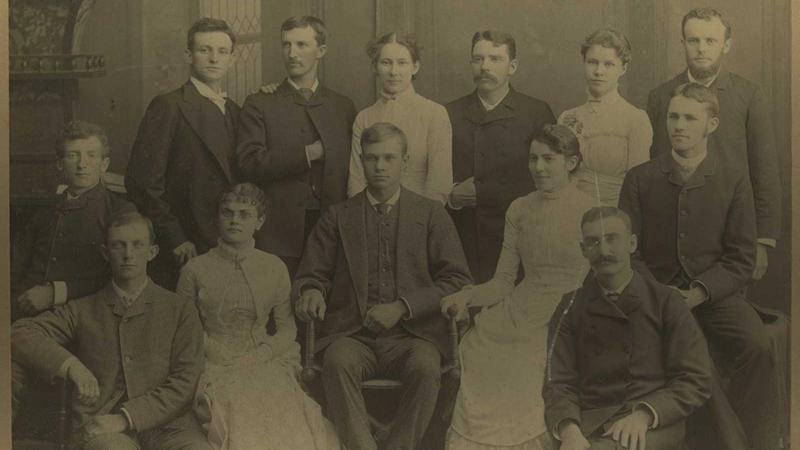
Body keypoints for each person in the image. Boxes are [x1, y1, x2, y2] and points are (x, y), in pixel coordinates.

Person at [294, 123, 471, 450]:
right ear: (361, 161)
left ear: (405, 162)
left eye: (389, 158)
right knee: (335, 363)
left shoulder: (431, 214)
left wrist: (403, 307)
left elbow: (457, 281)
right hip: (352, 334)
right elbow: (311, 274)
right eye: (373, 158)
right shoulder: (337, 216)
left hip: (413, 336)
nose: (380, 166)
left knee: (427, 367)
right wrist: (312, 290)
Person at [620, 83, 777, 450]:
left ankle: (762, 439)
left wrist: (699, 293)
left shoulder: (733, 178)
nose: (679, 125)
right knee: (694, 356)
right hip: (656, 297)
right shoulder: (640, 179)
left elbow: (740, 258)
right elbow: (629, 252)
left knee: (756, 344)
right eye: (673, 116)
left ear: (712, 124)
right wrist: (661, 293)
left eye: (690, 118)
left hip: (714, 296)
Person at [441, 124, 595, 449]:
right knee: (479, 347)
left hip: (568, 309)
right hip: (521, 305)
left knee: (524, 361)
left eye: (548, 159)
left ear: (571, 162)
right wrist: (467, 295)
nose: (538, 167)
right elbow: (502, 283)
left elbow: (598, 278)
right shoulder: (520, 208)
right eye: (533, 159)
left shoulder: (589, 211)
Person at [11, 211, 210, 450]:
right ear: (105, 253)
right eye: (119, 245)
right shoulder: (84, 308)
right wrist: (72, 365)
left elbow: (185, 381)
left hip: (169, 427)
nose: (128, 254)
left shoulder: (179, 309)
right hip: (102, 426)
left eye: (137, 245)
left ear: (152, 252)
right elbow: (20, 333)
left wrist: (126, 418)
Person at [176, 183, 340, 449]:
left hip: (262, 360)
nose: (234, 221)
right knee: (237, 403)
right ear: (217, 217)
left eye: (244, 214)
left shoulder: (273, 267)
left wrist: (261, 354)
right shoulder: (195, 270)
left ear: (259, 221)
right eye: (227, 213)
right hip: (213, 362)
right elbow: (184, 329)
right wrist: (217, 352)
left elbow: (287, 329)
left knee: (282, 403)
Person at [543, 207, 712, 450]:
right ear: (583, 250)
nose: (603, 251)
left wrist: (644, 414)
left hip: (651, 422)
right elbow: (556, 381)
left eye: (612, 239)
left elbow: (695, 378)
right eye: (593, 242)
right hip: (589, 423)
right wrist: (569, 429)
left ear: (632, 243)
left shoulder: (666, 301)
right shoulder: (570, 306)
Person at [646, 7, 781, 282]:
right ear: (682, 43)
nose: (701, 49)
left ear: (726, 45)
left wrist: (762, 242)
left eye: (710, 41)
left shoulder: (748, 95)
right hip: (674, 232)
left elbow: (764, 171)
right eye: (693, 40)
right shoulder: (661, 97)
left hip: (731, 231)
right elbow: (654, 168)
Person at [236, 16, 356, 275]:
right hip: (278, 235)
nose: (292, 53)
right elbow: (249, 163)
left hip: (331, 231)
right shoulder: (260, 103)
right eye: (286, 45)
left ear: (320, 51)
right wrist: (308, 154)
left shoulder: (342, 107)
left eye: (302, 45)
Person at [126, 18, 240, 289]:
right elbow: (142, 184)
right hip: (185, 245)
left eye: (222, 52)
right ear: (188, 55)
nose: (214, 58)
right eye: (204, 50)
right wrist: (174, 237)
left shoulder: (236, 111)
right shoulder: (169, 106)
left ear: (232, 59)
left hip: (226, 241)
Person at [446, 30, 556, 283]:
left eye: (495, 59)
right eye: (478, 59)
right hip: (465, 236)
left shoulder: (536, 112)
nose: (484, 67)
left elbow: (550, 177)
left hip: (520, 234)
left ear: (512, 66)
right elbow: (437, 174)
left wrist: (486, 193)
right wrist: (452, 195)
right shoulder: (449, 112)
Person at [11, 120, 135, 319]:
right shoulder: (44, 211)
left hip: (82, 317)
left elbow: (124, 273)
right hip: (22, 310)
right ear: (60, 165)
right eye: (73, 155)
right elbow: (13, 264)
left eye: (91, 155)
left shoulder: (120, 212)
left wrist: (55, 292)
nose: (82, 164)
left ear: (104, 165)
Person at [348, 32, 453, 204]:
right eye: (386, 63)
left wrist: (420, 223)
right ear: (375, 67)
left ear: (415, 67)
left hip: (419, 218)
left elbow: (439, 183)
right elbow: (356, 180)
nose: (393, 71)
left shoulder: (435, 114)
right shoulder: (364, 118)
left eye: (402, 63)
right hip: (370, 216)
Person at [558, 28, 652, 206]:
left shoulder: (636, 119)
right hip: (569, 209)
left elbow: (637, 185)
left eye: (608, 64)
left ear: (623, 68)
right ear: (583, 63)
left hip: (615, 212)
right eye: (592, 62)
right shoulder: (566, 117)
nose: (598, 71)